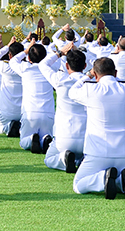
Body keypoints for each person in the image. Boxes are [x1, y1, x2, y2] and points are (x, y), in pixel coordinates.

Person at [69, 57, 125, 199]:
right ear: (116, 72)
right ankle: (120, 181)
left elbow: (72, 91)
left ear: (95, 75)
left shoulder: (91, 89)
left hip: (98, 152)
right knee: (120, 176)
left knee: (78, 184)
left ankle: (102, 179)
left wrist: (87, 75)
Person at [38, 41, 87, 173]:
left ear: (66, 65)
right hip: (87, 139)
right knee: (88, 156)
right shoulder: (91, 83)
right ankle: (83, 160)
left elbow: (43, 64)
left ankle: (63, 159)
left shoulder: (60, 80)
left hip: (63, 137)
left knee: (49, 159)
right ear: (85, 66)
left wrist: (60, 53)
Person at [10, 42, 55, 152]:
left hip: (30, 113)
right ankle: (44, 139)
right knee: (48, 137)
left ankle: (31, 139)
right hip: (48, 114)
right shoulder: (51, 69)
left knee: (23, 142)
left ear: (29, 58)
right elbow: (53, 58)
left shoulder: (25, 68)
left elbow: (13, 61)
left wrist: (25, 51)